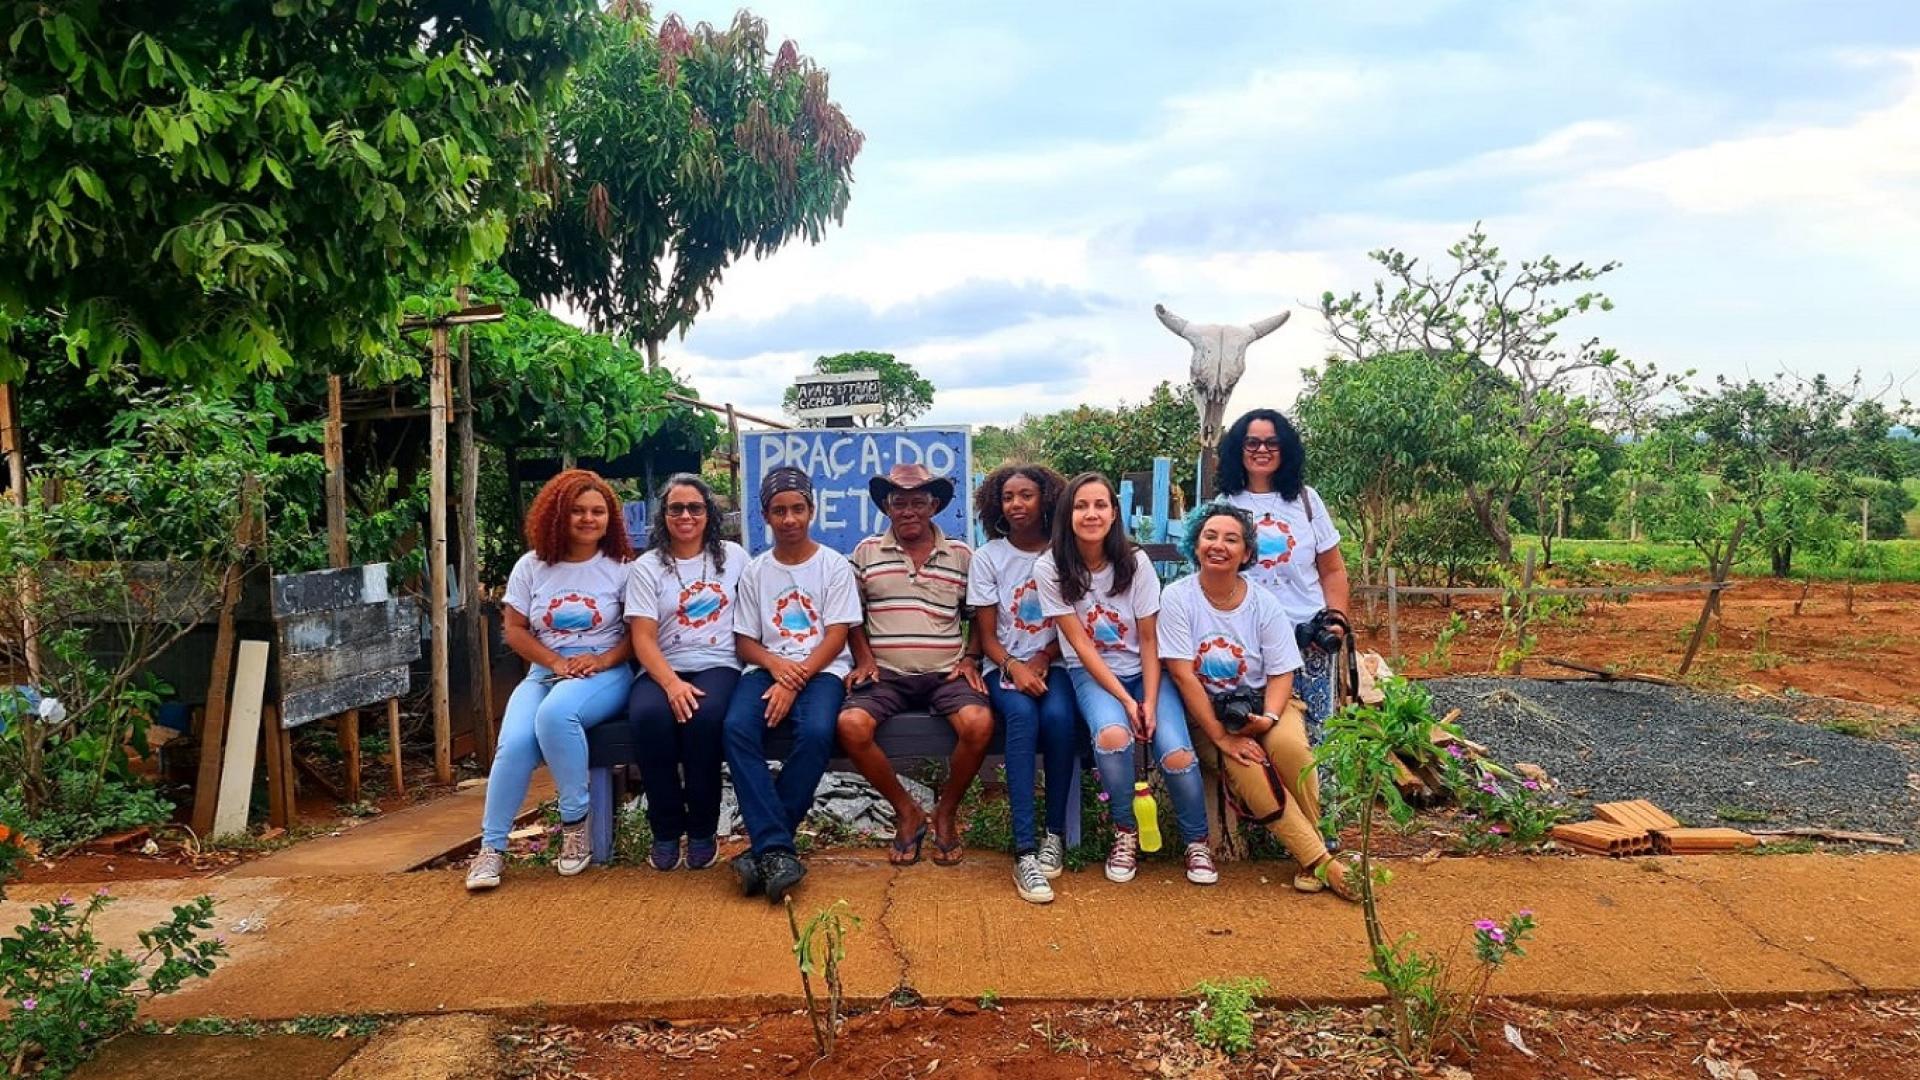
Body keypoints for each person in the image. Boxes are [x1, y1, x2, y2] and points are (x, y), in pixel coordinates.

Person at [1159, 503, 1357, 901]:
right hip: (1207, 718)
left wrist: (1267, 718)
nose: (1219, 545)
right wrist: (1222, 737)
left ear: (1247, 553)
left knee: (1290, 748)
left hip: (1267, 703)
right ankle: (1322, 861)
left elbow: (1282, 670)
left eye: (1232, 539)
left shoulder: (1263, 602)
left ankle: (1312, 855)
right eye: (1210, 536)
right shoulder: (1177, 599)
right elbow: (1182, 673)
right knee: (1250, 768)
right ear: (1195, 545)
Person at [1034, 472, 1216, 886]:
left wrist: (1148, 700)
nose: (1091, 514)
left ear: (1114, 513)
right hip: (1093, 674)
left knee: (1175, 753)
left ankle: (1196, 841)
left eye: (1100, 505)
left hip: (1147, 672)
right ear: (1068, 514)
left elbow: (1151, 639)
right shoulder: (1050, 567)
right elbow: (1081, 646)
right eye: (1081, 506)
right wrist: (1126, 702)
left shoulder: (1135, 562)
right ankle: (1125, 831)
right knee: (1113, 736)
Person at [468, 469, 635, 891]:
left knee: (557, 715)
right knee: (515, 744)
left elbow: (639, 633)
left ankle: (575, 823)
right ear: (558, 514)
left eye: (597, 511)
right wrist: (556, 662)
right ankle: (491, 849)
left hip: (607, 672)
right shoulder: (532, 566)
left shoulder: (622, 568)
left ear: (610, 518)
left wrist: (600, 659)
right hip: (545, 672)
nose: (588, 519)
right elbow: (515, 629)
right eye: (577, 510)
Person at [840, 463, 993, 869]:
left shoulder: (961, 555)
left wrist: (971, 658)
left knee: (979, 724)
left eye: (918, 502)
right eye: (899, 502)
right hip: (885, 673)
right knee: (851, 726)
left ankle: (945, 811)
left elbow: (978, 616)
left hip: (945, 672)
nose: (908, 511)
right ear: (887, 507)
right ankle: (906, 811)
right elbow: (851, 615)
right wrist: (865, 658)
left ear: (934, 506)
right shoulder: (867, 552)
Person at [722, 467, 862, 903]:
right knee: (736, 729)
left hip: (823, 669)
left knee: (818, 731)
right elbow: (745, 639)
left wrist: (795, 678)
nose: (789, 519)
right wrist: (776, 668)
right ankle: (778, 849)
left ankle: (763, 850)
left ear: (811, 510)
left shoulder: (833, 566)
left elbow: (838, 634)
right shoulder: (756, 571)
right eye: (779, 511)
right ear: (765, 515)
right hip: (766, 667)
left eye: (798, 509)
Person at [624, 473, 746, 872]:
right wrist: (671, 683)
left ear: (708, 513)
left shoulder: (734, 558)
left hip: (719, 664)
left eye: (695, 507)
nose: (686, 515)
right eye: (676, 508)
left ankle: (701, 830)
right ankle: (664, 830)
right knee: (648, 716)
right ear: (664, 515)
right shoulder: (646, 567)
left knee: (704, 718)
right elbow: (642, 637)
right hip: (663, 666)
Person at [967, 463, 1077, 903]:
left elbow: (1071, 627)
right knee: (1019, 718)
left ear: (1046, 499)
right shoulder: (989, 556)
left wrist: (1044, 658)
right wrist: (1015, 667)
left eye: (1026, 495)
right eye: (1009, 496)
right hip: (1004, 667)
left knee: (1059, 718)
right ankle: (1025, 851)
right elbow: (988, 636)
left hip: (1058, 664)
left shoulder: (1062, 553)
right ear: (997, 502)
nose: (1016, 504)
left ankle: (1055, 834)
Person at [1215, 409, 1353, 743]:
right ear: (1238, 448)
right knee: (1258, 729)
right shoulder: (1225, 505)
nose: (1262, 450)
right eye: (1252, 442)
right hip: (1251, 640)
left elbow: (1332, 569)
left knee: (1318, 732)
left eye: (1272, 442)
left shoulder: (1306, 501)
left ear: (1286, 448)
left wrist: (1337, 621)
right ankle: (1269, 797)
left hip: (1309, 641)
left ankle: (1321, 796)